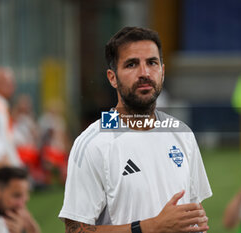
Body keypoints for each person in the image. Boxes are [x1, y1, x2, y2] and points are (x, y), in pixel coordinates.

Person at [59, 27, 212, 233]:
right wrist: (151, 227)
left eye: (152, 62)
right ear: (112, 78)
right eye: (131, 64)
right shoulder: (92, 143)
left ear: (163, 71)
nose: (144, 73)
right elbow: (74, 230)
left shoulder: (181, 132)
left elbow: (193, 210)